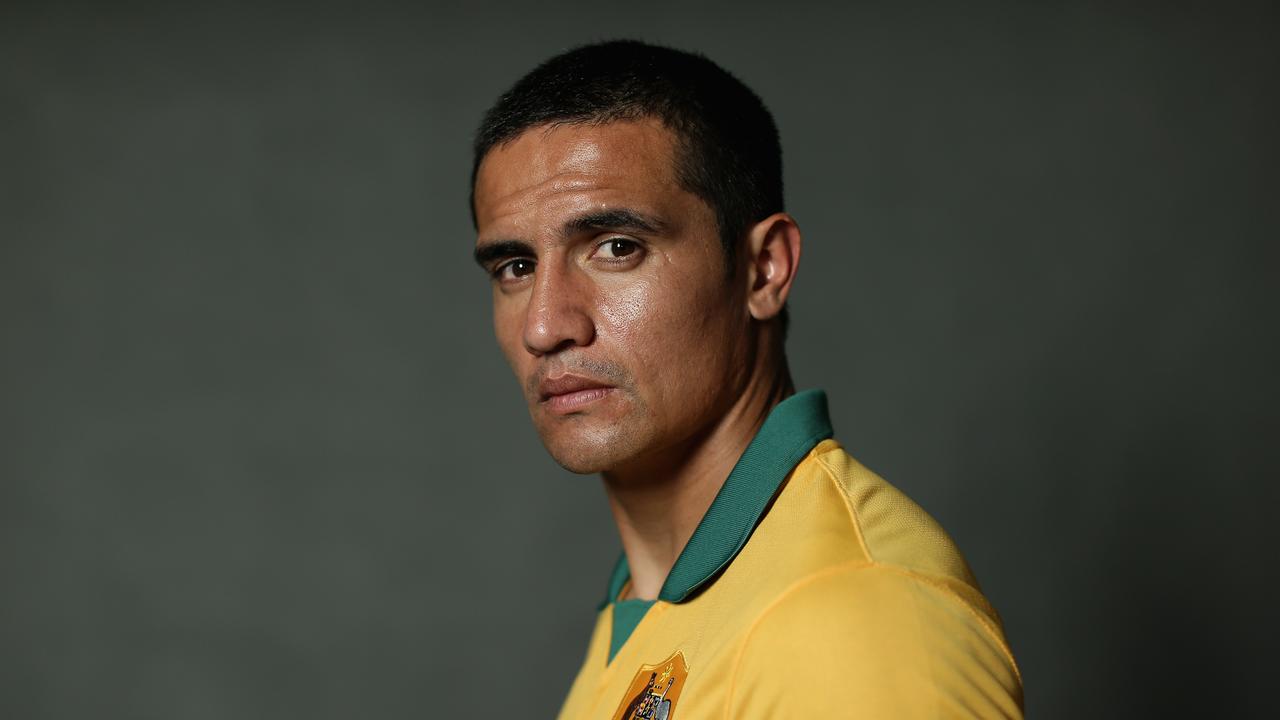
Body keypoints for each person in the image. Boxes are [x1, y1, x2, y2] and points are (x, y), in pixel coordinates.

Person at [469, 40, 1023, 719]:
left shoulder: (851, 616)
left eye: (617, 248)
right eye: (514, 268)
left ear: (764, 270)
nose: (545, 325)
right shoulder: (650, 611)